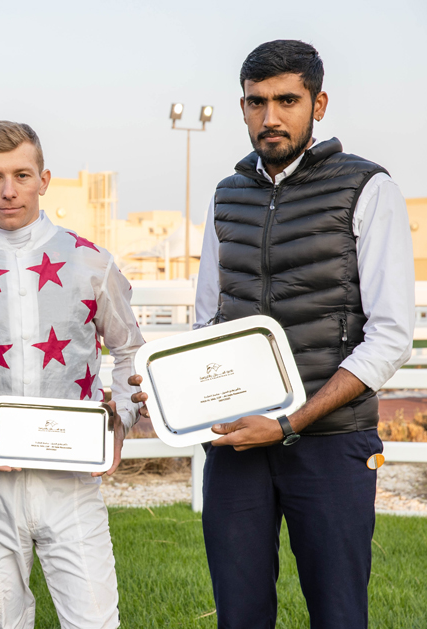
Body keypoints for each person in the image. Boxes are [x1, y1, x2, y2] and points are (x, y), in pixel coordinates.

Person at [130, 40, 413, 628]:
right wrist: (169, 389)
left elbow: (390, 337)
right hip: (235, 443)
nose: (271, 116)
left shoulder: (367, 188)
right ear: (241, 107)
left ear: (319, 102)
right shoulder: (226, 195)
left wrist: (289, 422)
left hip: (333, 442)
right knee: (240, 615)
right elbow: (208, 322)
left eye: (288, 99)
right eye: (257, 102)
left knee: (338, 615)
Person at [0, 121, 144, 629]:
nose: (8, 189)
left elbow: (131, 352)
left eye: (22, 174)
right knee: (0, 623)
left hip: (73, 480)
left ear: (44, 179)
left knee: (94, 622)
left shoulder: (91, 262)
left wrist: (121, 422)